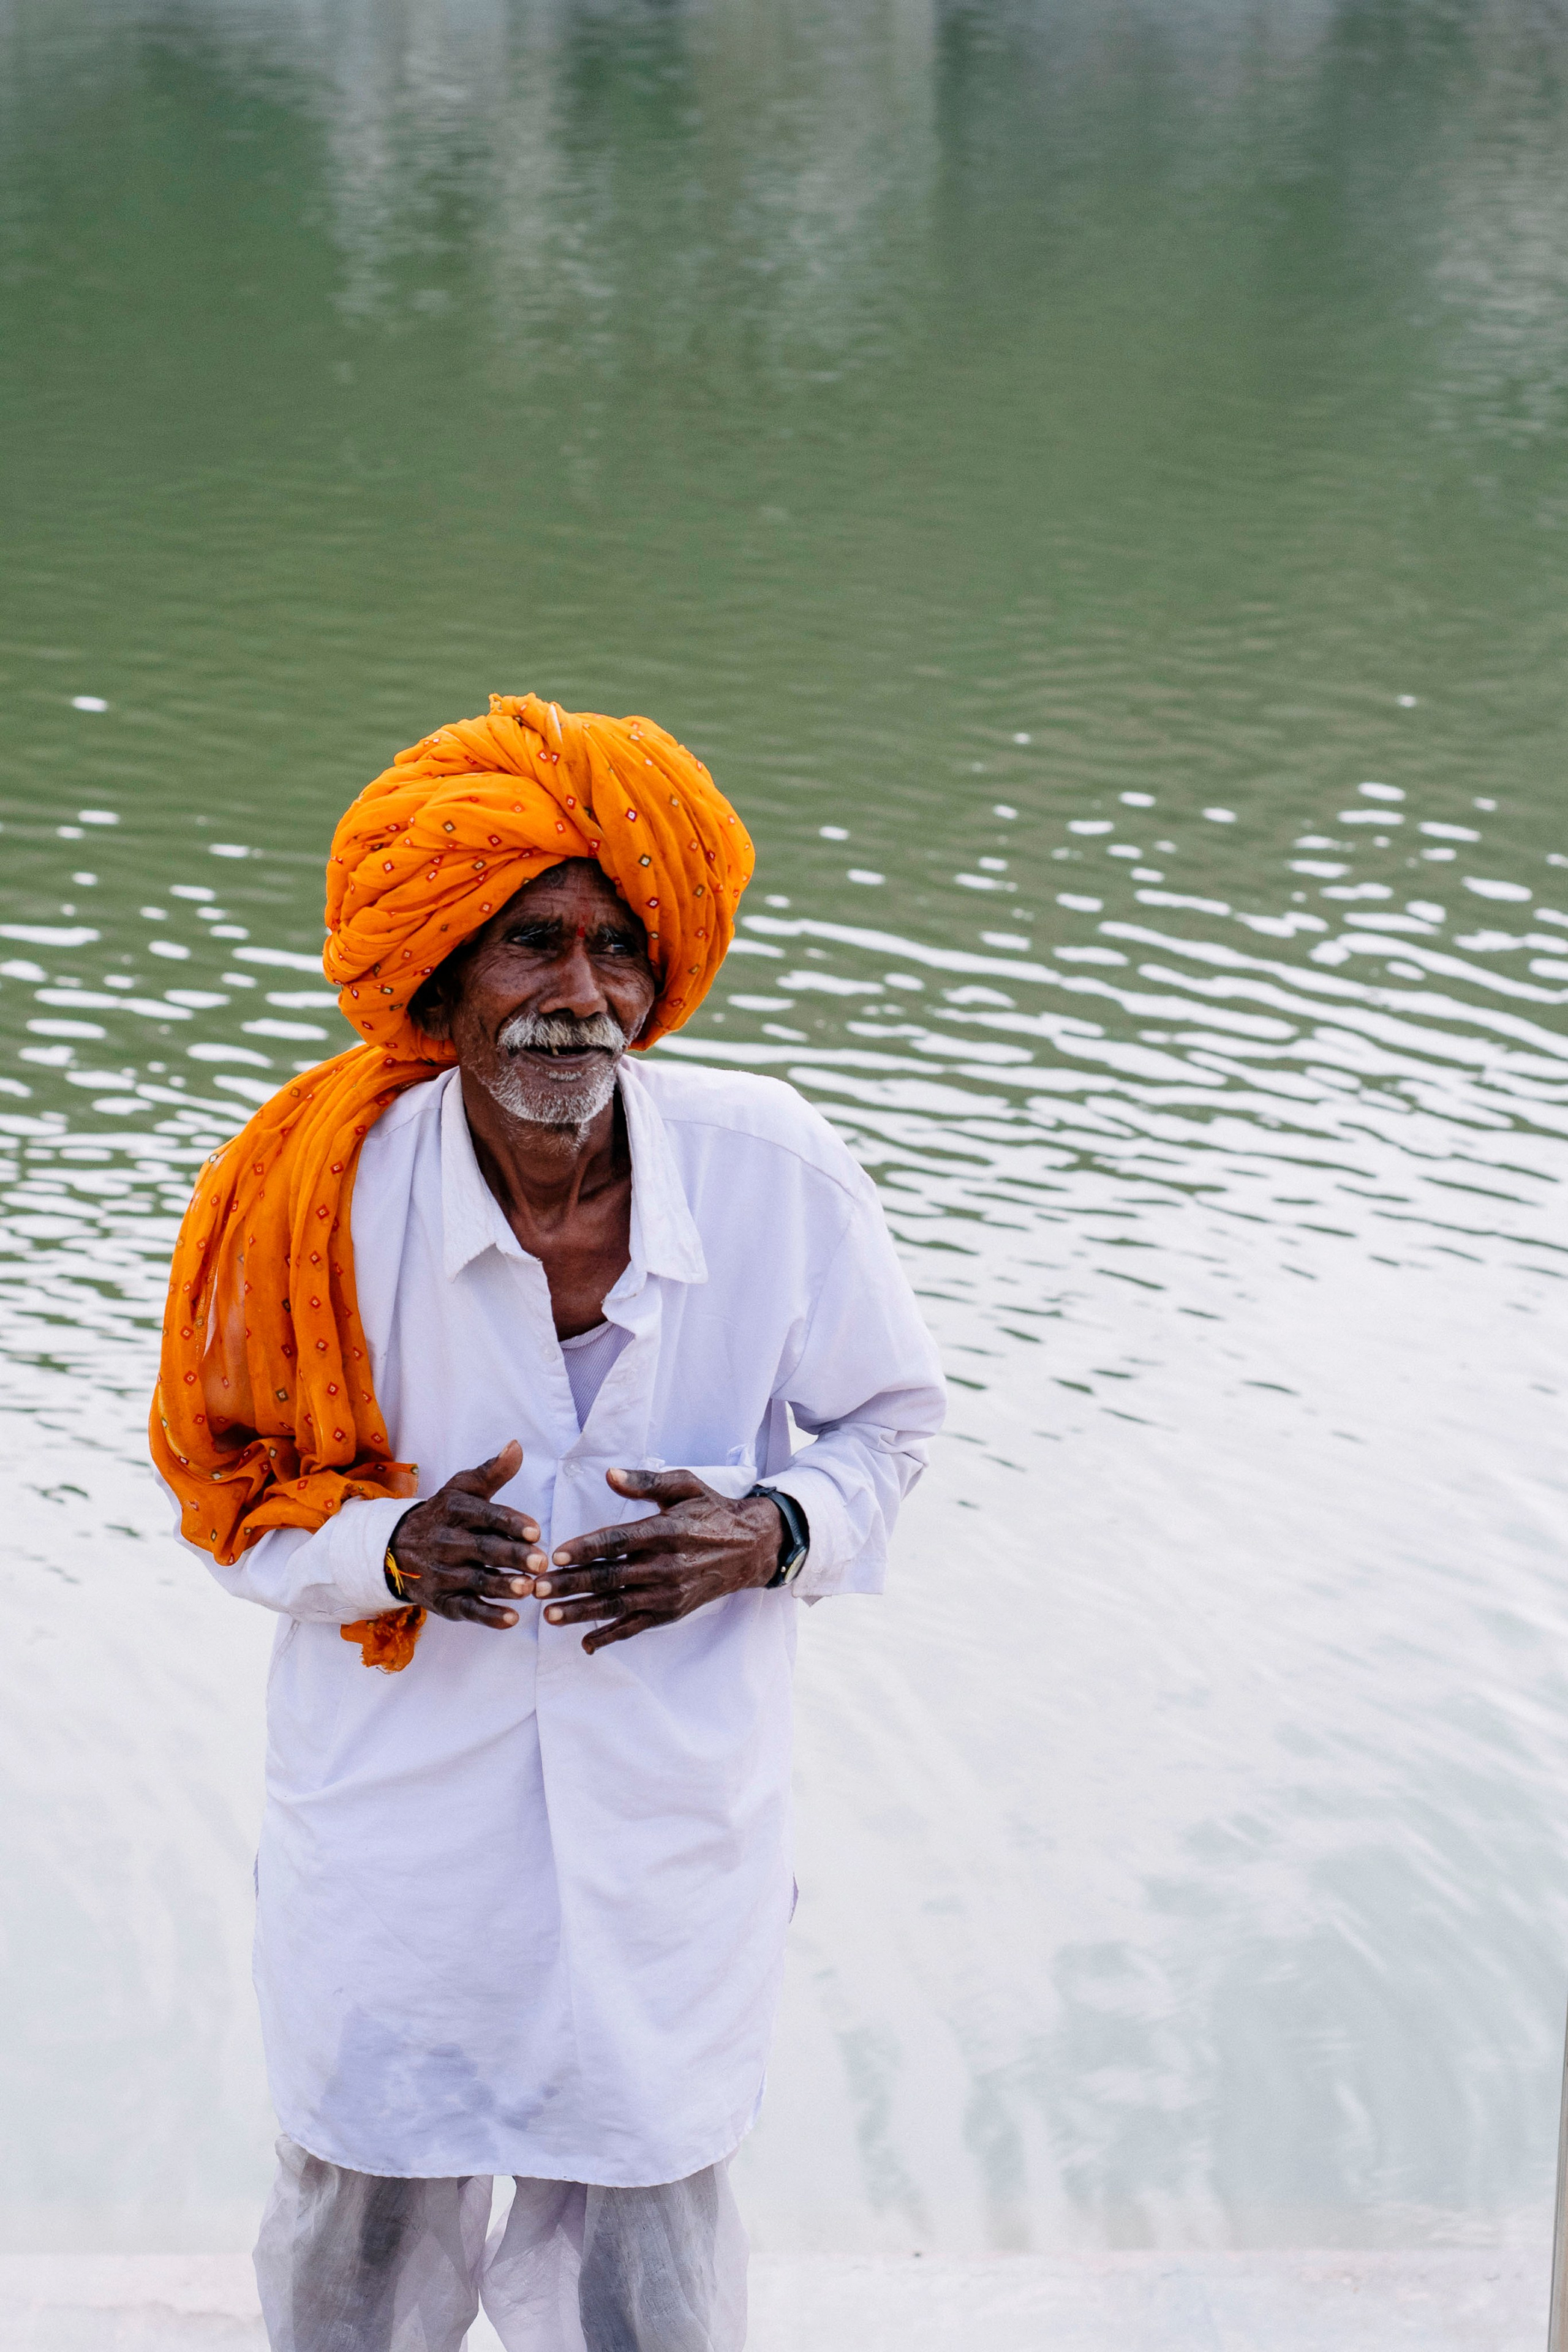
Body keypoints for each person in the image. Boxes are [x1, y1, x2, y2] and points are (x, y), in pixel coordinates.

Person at [150, 695, 946, 2352]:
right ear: (442, 986)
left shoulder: (774, 1170)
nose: (577, 996)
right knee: (358, 2237)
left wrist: (772, 1533)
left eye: (613, 951)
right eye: (530, 945)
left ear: (663, 978)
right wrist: (386, 1552)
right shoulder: (312, 1205)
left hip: (672, 1835)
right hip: (397, 1836)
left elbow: (891, 1428)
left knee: (651, 2246)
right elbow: (225, 1501)